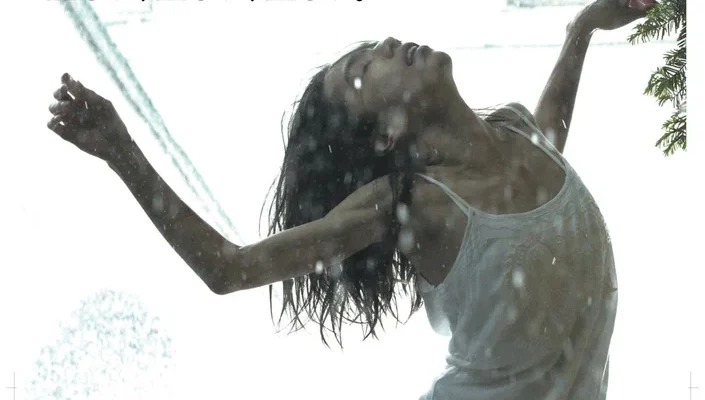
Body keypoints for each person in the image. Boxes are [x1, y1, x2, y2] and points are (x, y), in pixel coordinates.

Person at [46, 0, 656, 398]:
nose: (387, 43)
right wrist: (121, 151)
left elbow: (550, 141)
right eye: (363, 71)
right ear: (386, 134)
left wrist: (583, 27)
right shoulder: (413, 203)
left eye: (371, 48)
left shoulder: (521, 135)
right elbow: (229, 267)